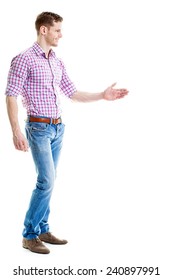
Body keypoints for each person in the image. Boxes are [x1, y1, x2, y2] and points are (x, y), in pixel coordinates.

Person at [5, 11, 128, 254]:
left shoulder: (56, 61)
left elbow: (72, 93)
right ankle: (29, 235)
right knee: (46, 181)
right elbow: (10, 95)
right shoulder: (23, 59)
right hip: (38, 127)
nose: (61, 34)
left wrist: (102, 96)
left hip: (58, 128)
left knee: (50, 181)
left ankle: (42, 228)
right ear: (44, 30)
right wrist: (16, 130)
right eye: (57, 30)